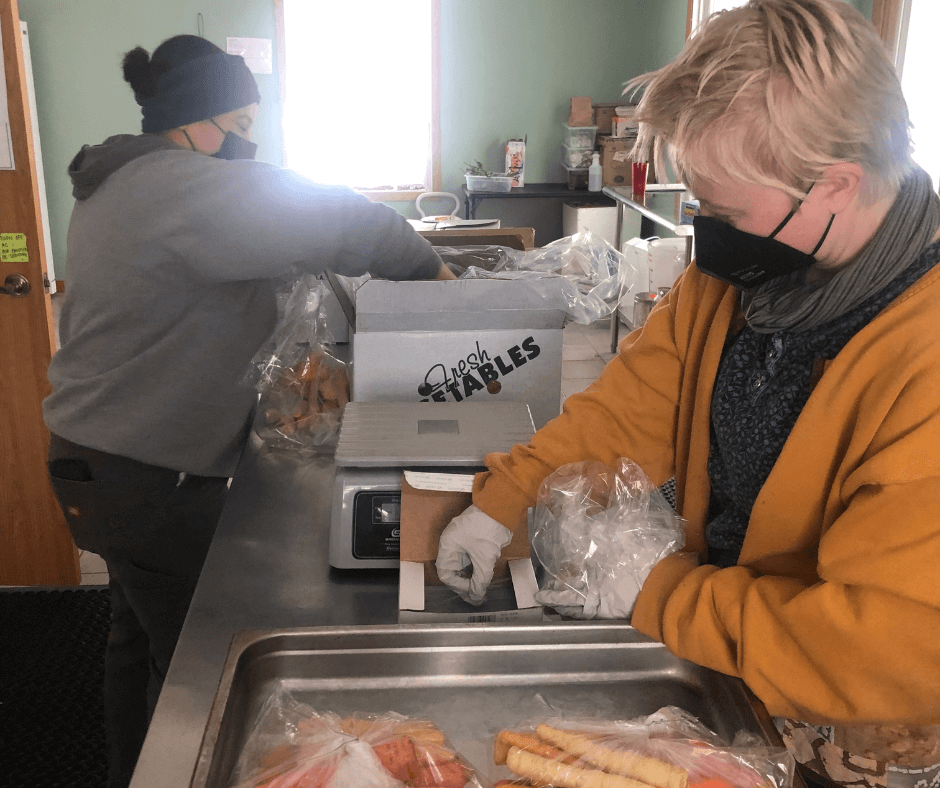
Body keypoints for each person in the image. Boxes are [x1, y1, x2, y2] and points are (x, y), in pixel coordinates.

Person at [435, 0, 940, 784]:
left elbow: (885, 645)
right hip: (724, 667)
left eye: (726, 208)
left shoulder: (924, 355)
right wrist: (503, 501)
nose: (707, 228)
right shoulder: (742, 276)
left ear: (836, 185)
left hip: (857, 738)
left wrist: (660, 592)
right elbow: (635, 405)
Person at [44, 34, 453, 788]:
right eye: (237, 122)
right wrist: (436, 277)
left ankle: (126, 770)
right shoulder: (180, 188)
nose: (245, 141)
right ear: (192, 119)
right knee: (197, 670)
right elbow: (347, 221)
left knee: (137, 643)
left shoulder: (124, 180)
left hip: (93, 461)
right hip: (145, 476)